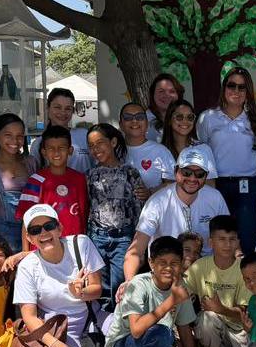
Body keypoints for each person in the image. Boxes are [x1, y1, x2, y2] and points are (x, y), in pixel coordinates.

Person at [12, 204, 105, 347]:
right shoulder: (29, 266)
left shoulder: (81, 244)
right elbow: (29, 316)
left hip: (92, 316)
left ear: (60, 228)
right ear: (29, 239)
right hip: (61, 330)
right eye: (35, 230)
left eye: (49, 226)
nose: (43, 233)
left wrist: (81, 293)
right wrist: (55, 345)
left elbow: (97, 289)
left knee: (130, 330)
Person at [107, 235, 209, 347]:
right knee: (161, 332)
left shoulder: (179, 286)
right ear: (151, 262)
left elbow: (185, 330)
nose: (168, 268)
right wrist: (172, 301)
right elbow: (136, 330)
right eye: (162, 262)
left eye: (174, 263)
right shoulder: (139, 284)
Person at [123, 147, 229, 280]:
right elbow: (136, 250)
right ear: (175, 172)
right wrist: (128, 282)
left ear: (206, 176)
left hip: (206, 274)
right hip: (167, 273)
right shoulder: (158, 201)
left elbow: (229, 242)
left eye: (199, 174)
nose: (192, 178)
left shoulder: (215, 197)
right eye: (186, 172)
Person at [197, 67, 256, 254]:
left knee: (247, 241)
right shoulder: (208, 117)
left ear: (248, 92)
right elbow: (201, 155)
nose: (236, 91)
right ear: (224, 88)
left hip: (249, 188)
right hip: (216, 186)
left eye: (242, 87)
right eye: (232, 86)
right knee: (218, 241)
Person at [187, 215, 252, 347]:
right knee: (206, 318)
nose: (227, 244)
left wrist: (220, 308)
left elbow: (244, 312)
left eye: (232, 239)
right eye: (221, 239)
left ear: (238, 241)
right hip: (213, 328)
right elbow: (182, 292)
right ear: (211, 242)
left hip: (239, 330)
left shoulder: (245, 268)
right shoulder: (200, 267)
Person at [85, 123, 143, 312]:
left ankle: (119, 323)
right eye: (91, 146)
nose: (96, 149)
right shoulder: (89, 175)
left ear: (113, 142)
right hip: (97, 236)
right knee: (99, 283)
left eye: (100, 143)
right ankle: (102, 328)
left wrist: (136, 236)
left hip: (123, 236)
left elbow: (138, 205)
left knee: (120, 282)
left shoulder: (129, 172)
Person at [15, 125, 89, 240]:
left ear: (70, 150)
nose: (56, 152)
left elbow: (83, 216)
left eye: (62, 148)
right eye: (51, 148)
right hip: (44, 247)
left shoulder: (80, 179)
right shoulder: (35, 180)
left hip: (74, 245)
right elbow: (26, 219)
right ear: (43, 152)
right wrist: (26, 253)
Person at [0, 113, 38, 251]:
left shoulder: (31, 162)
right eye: (8, 135)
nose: (15, 140)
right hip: (3, 234)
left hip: (32, 230)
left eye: (19, 136)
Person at [119, 101, 174, 198]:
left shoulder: (160, 151)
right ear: (121, 124)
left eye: (140, 117)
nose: (134, 121)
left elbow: (172, 183)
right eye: (128, 117)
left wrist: (151, 192)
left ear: (147, 123)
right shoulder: (114, 151)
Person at [31, 88, 91, 174]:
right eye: (57, 107)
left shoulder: (84, 135)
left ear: (73, 111)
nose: (63, 112)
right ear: (47, 108)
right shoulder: (38, 143)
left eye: (68, 108)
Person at [158, 98, 217, 185]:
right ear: (169, 120)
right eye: (179, 117)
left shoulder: (203, 149)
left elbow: (210, 186)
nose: (185, 121)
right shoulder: (160, 150)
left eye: (190, 117)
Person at [146, 74, 185, 142]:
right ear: (152, 94)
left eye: (172, 91)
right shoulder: (143, 121)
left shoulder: (187, 118)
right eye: (161, 91)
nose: (167, 95)